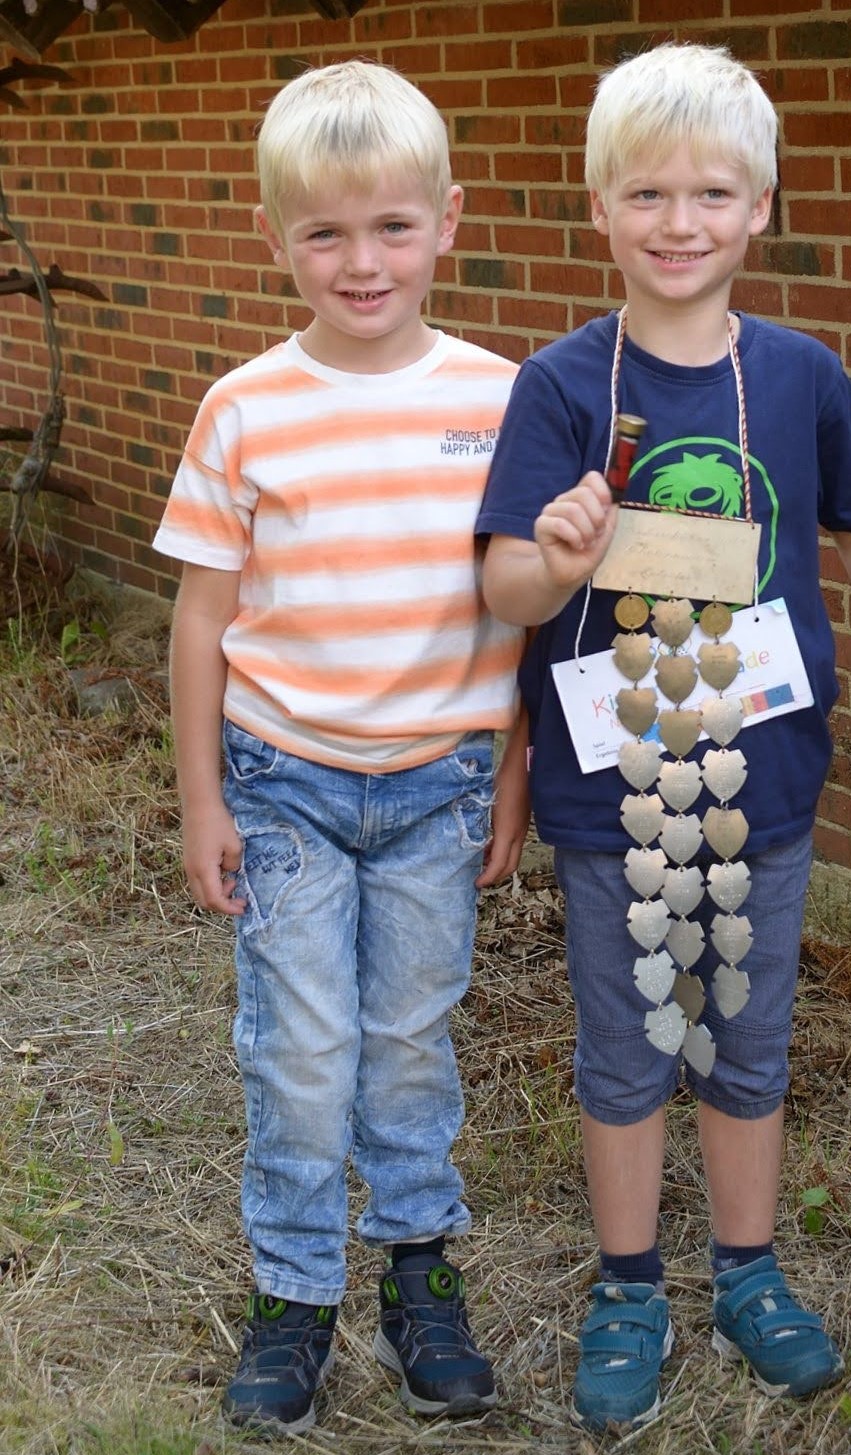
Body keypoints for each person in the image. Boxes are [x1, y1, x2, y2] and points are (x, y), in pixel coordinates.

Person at [477, 42, 851, 1434]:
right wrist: (555, 556)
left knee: (744, 1037)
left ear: (761, 207)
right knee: (626, 1047)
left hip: (764, 773)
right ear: (597, 207)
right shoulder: (561, 386)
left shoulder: (798, 376)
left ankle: (744, 1271)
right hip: (606, 779)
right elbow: (503, 589)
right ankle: (630, 1285)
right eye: (645, 194)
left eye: (710, 193)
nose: (677, 222)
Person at [152, 59, 529, 1437]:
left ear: (447, 220)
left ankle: (419, 1274)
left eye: (388, 225)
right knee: (301, 1049)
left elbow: (523, 609)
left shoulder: (506, 399)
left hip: (437, 785)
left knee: (408, 1040)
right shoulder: (245, 407)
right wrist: (201, 797)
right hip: (285, 781)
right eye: (322, 232)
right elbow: (201, 620)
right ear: (275, 240)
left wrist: (513, 769)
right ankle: (294, 1292)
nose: (358, 260)